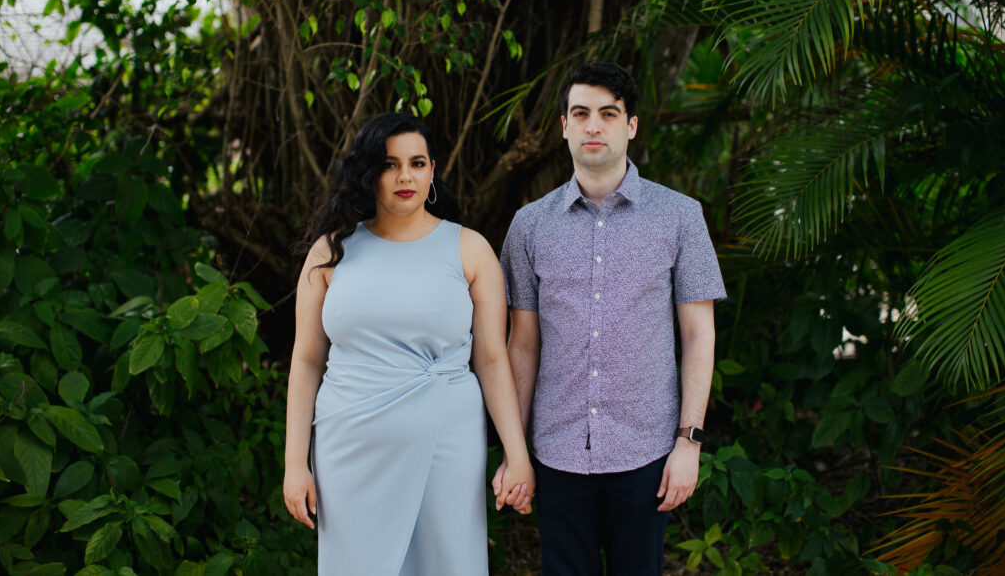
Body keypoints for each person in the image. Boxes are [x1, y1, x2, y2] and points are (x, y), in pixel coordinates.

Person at [494, 62, 726, 575]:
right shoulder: (529, 226)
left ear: (631, 125)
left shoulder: (680, 216)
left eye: (607, 113)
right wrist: (516, 451)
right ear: (563, 126)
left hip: (646, 451)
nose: (593, 126)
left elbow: (698, 334)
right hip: (557, 451)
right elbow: (522, 343)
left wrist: (689, 443)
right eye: (581, 114)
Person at [283, 112, 535, 575]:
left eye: (417, 163)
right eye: (389, 164)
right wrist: (294, 464)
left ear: (433, 171)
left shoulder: (470, 249)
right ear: (368, 173)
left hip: (447, 440)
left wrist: (516, 456)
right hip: (349, 446)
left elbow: (493, 359)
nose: (405, 176)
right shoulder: (330, 251)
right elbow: (305, 359)